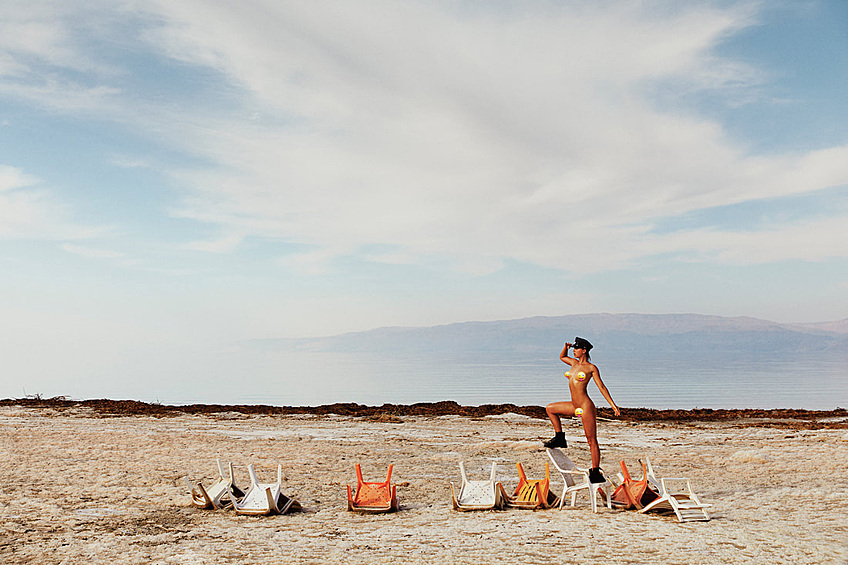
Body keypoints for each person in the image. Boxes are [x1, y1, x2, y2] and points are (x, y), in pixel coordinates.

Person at [543, 336, 620, 483]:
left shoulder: (591, 368)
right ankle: (560, 437)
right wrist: (565, 347)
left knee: (591, 440)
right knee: (550, 409)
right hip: (574, 405)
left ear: (584, 350)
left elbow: (601, 387)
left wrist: (613, 405)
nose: (574, 351)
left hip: (585, 407)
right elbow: (562, 356)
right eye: (573, 349)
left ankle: (595, 471)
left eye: (576, 349)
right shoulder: (573, 363)